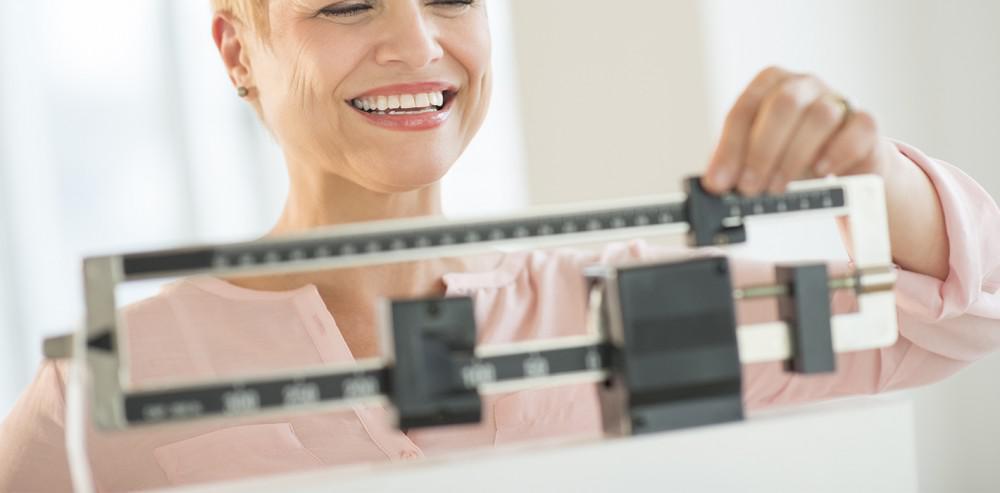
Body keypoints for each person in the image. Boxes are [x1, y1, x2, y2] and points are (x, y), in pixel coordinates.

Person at [2, 0, 998, 491]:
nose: (417, 43)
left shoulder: (625, 309)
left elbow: (959, 311)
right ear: (236, 50)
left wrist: (872, 165)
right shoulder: (102, 387)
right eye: (345, 1)